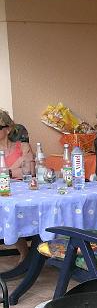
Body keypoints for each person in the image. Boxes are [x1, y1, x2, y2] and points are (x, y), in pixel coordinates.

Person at [0, 109, 35, 261]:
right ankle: (25, 253)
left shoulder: (23, 146)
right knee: (8, 212)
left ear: (7, 129)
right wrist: (18, 167)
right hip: (4, 194)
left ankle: (35, 253)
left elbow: (30, 171)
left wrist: (5, 172)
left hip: (26, 193)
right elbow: (23, 169)